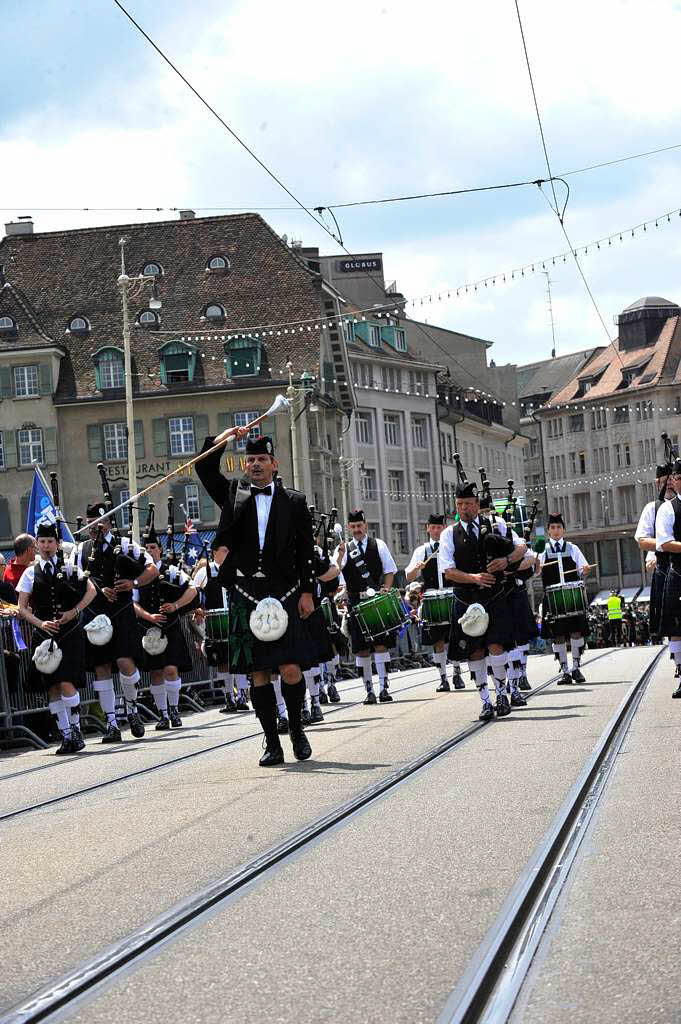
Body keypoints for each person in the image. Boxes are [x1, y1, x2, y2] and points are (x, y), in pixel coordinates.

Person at [196, 430, 326, 767]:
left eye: (261, 459)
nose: (255, 464)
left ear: (274, 464)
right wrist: (222, 439)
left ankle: (297, 729)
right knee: (258, 673)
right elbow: (204, 468)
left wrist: (308, 591)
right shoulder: (232, 494)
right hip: (245, 593)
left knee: (291, 669)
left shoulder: (295, 502)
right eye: (250, 459)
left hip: (285, 592)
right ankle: (271, 742)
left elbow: (305, 552)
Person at [439, 477, 527, 719]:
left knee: (496, 647)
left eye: (468, 503)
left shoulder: (496, 525)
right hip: (466, 600)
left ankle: (501, 695)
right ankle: (485, 701)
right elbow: (448, 570)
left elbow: (522, 547)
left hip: (494, 596)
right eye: (460, 504)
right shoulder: (448, 535)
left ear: (477, 504)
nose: (464, 509)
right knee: (474, 652)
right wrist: (475, 578)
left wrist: (506, 561)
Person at [70, 504, 158, 743]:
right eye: (88, 523)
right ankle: (111, 723)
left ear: (108, 522)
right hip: (95, 614)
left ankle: (132, 708)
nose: (92, 529)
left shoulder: (126, 545)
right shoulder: (80, 550)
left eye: (97, 524)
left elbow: (152, 569)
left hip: (121, 612)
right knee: (101, 666)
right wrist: (99, 590)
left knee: (124, 661)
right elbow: (76, 580)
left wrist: (135, 583)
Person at [17, 522, 97, 754]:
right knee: (51, 686)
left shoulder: (70, 567)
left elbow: (91, 591)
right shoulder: (31, 572)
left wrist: (74, 611)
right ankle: (65, 735)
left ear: (57, 543)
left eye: (50, 541)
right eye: (41, 542)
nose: (46, 546)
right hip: (44, 633)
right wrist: (40, 623)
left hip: (69, 632)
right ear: (37, 544)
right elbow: (22, 607)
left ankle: (76, 729)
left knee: (66, 681)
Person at [134, 524, 198, 729]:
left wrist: (176, 605)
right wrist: (149, 616)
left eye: (153, 547)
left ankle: (174, 710)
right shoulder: (140, 574)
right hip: (149, 628)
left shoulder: (170, 571)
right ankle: (162, 714)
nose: (150, 551)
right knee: (155, 672)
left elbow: (193, 590)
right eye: (147, 548)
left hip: (170, 626)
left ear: (160, 550)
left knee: (171, 669)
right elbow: (132, 602)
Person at [333, 510, 398, 705]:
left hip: (376, 600)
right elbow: (335, 571)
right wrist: (339, 556)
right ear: (348, 528)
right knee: (361, 649)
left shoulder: (379, 545)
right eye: (353, 527)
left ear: (366, 525)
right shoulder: (344, 548)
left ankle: (384, 687)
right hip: (355, 602)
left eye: (359, 526)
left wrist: (386, 589)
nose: (356, 530)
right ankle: (368, 690)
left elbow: (389, 570)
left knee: (380, 645)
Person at [406, 513, 464, 692]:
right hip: (431, 598)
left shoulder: (451, 547)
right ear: (427, 529)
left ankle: (456, 672)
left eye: (439, 527)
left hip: (452, 594)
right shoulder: (422, 551)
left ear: (444, 528)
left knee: (454, 637)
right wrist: (417, 569)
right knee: (437, 640)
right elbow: (408, 575)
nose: (436, 531)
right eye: (433, 527)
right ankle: (443, 678)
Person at [192, 536, 250, 713]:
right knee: (223, 662)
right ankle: (229, 698)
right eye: (224, 550)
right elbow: (193, 593)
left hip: (236, 619)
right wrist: (198, 610)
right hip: (216, 622)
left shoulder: (237, 570)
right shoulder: (205, 572)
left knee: (239, 658)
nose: (228, 554)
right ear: (214, 552)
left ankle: (242, 696)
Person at [536, 513, 590, 684]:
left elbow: (583, 569)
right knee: (557, 635)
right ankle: (564, 670)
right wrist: (535, 563)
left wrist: (586, 570)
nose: (556, 530)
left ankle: (576, 667)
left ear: (564, 530)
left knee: (576, 632)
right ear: (548, 531)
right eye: (552, 528)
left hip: (571, 597)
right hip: (552, 600)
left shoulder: (573, 548)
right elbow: (536, 571)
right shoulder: (542, 551)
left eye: (559, 527)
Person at [635, 463, 675, 650]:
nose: (669, 485)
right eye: (664, 481)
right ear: (657, 483)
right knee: (673, 624)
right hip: (667, 570)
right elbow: (642, 540)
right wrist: (663, 546)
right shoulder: (653, 508)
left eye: (672, 480)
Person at [654, 458, 681, 694]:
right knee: (676, 627)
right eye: (679, 478)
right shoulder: (667, 508)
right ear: (673, 480)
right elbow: (664, 542)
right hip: (679, 573)